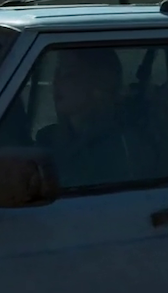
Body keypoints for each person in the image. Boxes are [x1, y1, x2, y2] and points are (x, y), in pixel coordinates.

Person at [34, 48, 153, 189]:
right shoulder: (46, 140)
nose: (56, 81)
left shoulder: (121, 148)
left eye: (68, 73)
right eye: (57, 71)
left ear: (99, 84)